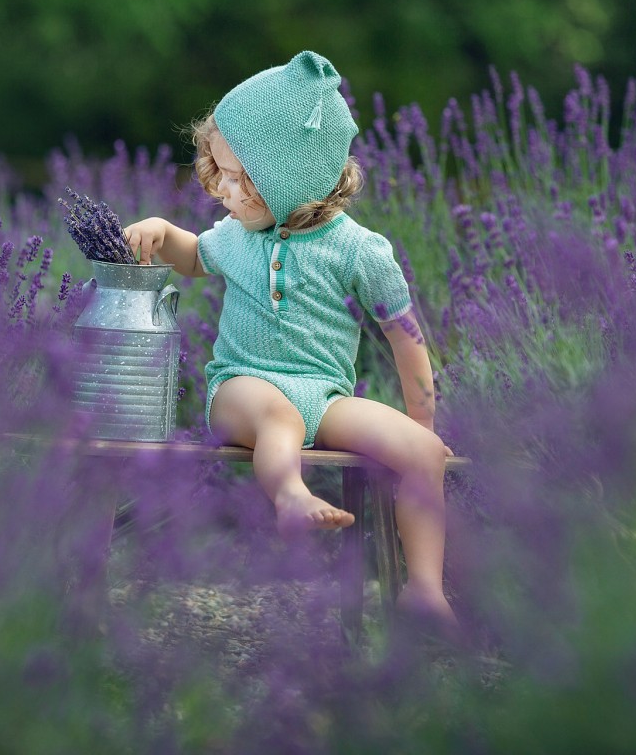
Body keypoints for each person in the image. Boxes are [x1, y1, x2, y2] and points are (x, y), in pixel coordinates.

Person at [123, 51, 457, 628]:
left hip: (323, 396)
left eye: (234, 177)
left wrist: (422, 426)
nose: (219, 189)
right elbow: (191, 256)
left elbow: (406, 337)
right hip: (241, 391)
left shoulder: (359, 251)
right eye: (217, 172)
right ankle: (290, 496)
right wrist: (161, 231)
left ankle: (425, 589)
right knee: (281, 417)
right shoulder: (236, 237)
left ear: (285, 179)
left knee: (423, 454)